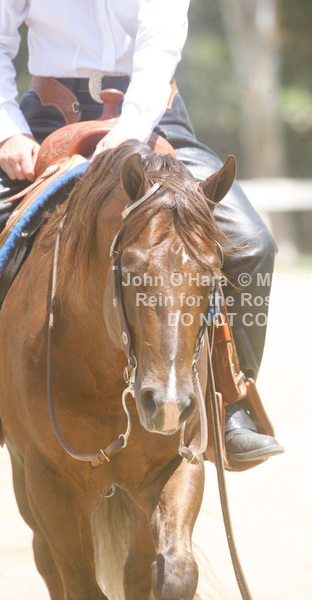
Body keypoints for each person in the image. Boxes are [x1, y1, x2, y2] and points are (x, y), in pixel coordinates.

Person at [0, 0, 283, 462]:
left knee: (252, 244)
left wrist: (131, 128)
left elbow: (160, 43)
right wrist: (7, 129)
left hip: (153, 113)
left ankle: (230, 403)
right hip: (45, 115)